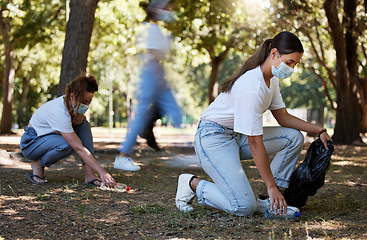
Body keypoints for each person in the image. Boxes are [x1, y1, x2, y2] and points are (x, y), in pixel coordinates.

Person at [175, 32, 332, 217]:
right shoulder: (251, 86)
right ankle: (191, 184)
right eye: (289, 62)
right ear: (274, 54)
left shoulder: (271, 81)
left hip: (236, 136)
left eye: (295, 64)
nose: (291, 69)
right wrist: (272, 185)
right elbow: (255, 143)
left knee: (293, 137)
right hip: (213, 138)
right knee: (243, 207)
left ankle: (266, 201)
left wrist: (319, 130)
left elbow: (282, 117)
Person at [114, 0, 182, 171]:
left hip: (158, 74)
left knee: (176, 112)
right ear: (156, 10)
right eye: (166, 8)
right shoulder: (150, 29)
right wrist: (159, 78)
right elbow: (152, 55)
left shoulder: (158, 30)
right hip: (152, 74)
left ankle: (192, 153)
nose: (168, 12)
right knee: (142, 116)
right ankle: (123, 156)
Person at [20, 74, 117, 188]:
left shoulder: (70, 105)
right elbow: (78, 147)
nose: (86, 106)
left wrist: (81, 116)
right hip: (31, 143)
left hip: (48, 138)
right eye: (84, 101)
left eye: (89, 102)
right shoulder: (59, 112)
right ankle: (39, 164)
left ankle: (90, 174)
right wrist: (103, 172)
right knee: (69, 143)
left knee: (84, 125)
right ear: (72, 96)